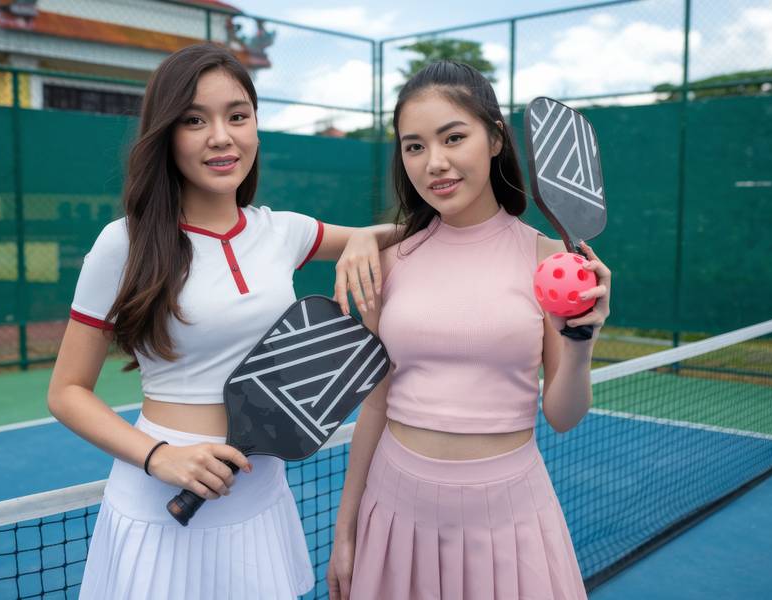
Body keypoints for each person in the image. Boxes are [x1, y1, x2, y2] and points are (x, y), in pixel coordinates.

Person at [47, 43, 394, 600]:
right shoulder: (123, 244)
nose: (221, 136)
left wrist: (369, 238)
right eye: (194, 120)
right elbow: (66, 392)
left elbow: (413, 234)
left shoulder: (284, 232)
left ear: (256, 126)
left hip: (259, 493)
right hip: (160, 497)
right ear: (166, 134)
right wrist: (161, 457)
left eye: (238, 116)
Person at [327, 61, 612, 600]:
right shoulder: (388, 262)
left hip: (509, 514)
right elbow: (375, 405)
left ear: (495, 138)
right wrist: (345, 528)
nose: (435, 163)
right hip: (394, 508)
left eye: (453, 137)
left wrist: (580, 347)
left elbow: (563, 416)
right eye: (413, 146)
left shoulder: (550, 260)